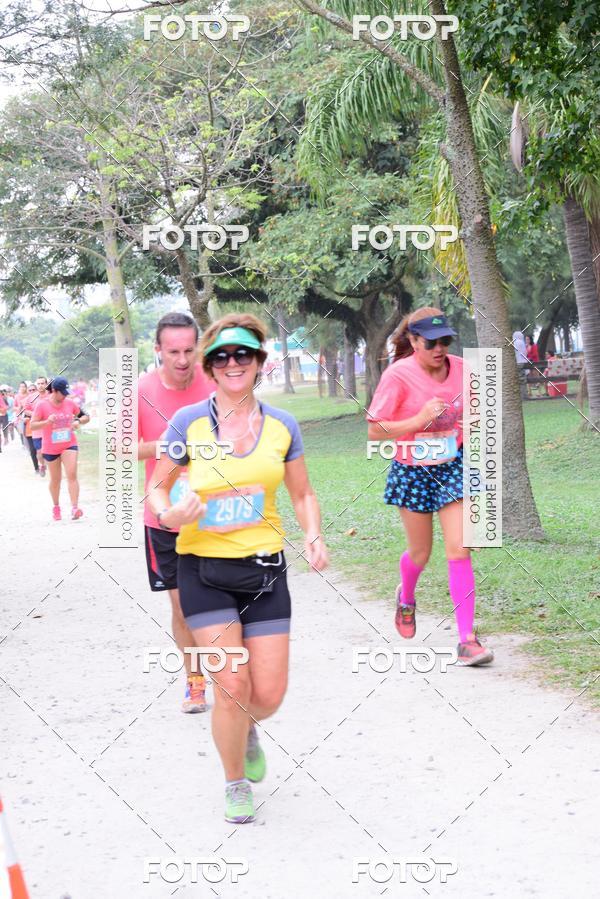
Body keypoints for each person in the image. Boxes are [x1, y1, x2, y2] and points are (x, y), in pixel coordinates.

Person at [148, 313, 328, 824]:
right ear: (209, 365)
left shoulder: (281, 426)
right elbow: (158, 487)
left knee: (265, 695)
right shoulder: (188, 424)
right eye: (222, 355)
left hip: (265, 571)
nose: (233, 363)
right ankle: (234, 781)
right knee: (231, 685)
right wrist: (169, 513)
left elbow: (302, 493)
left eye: (243, 354)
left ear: (259, 364)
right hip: (203, 570)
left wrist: (312, 532)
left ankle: (249, 725)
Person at [367, 307, 494, 666]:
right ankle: (406, 597)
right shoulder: (398, 376)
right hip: (411, 470)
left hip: (453, 466)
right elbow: (376, 430)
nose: (440, 349)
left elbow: (474, 413)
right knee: (420, 553)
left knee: (460, 548)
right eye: (431, 342)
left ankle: (467, 640)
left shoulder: (462, 370)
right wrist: (419, 419)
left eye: (445, 341)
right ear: (413, 340)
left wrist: (466, 431)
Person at [138, 311, 213, 715]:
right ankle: (195, 681)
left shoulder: (216, 381)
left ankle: (233, 670)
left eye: (189, 351)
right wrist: (172, 444)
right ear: (158, 351)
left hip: (219, 511)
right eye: (173, 352)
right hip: (165, 516)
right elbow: (120, 448)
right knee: (183, 607)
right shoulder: (139, 390)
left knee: (228, 599)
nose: (182, 360)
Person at [30, 377, 89, 519]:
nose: (65, 395)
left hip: (69, 444)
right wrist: (46, 422)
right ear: (54, 391)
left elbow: (86, 416)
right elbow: (33, 425)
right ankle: (56, 507)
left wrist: (77, 421)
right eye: (62, 392)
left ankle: (75, 508)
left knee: (72, 474)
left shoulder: (69, 403)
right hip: (50, 447)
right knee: (55, 479)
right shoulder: (42, 405)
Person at [30, 376, 49, 476]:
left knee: (50, 451)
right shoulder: (32, 397)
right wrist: (36, 414)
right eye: (38, 384)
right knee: (39, 452)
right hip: (37, 430)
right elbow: (26, 410)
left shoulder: (51, 395)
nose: (40, 386)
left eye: (42, 383)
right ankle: (42, 465)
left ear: (46, 384)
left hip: (49, 429)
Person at [21, 383, 40, 473]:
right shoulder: (25, 402)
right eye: (30, 390)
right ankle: (36, 468)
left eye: (33, 390)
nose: (32, 392)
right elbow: (21, 416)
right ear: (27, 392)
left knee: (41, 449)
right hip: (29, 430)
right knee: (33, 450)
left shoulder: (41, 401)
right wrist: (24, 418)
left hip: (40, 429)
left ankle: (43, 464)